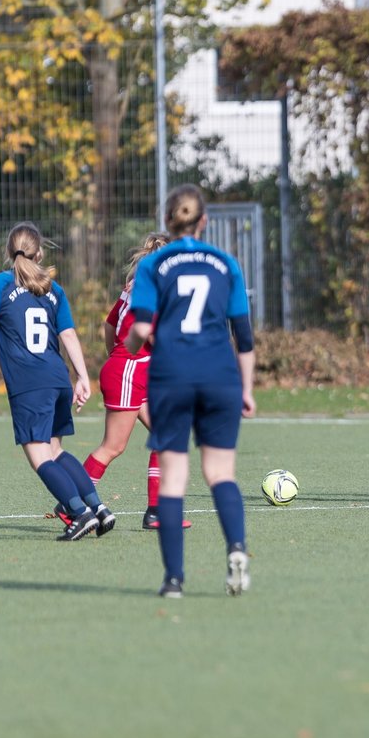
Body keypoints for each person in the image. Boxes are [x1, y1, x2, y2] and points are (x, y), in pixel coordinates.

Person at [125, 185, 255, 598]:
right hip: (220, 376)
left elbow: (142, 328)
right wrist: (247, 389)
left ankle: (174, 580)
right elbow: (245, 336)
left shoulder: (154, 263)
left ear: (168, 220)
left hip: (171, 376)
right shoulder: (225, 262)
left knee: (173, 480)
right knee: (220, 474)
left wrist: (129, 347)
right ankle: (236, 549)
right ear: (204, 222)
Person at [0, 222, 115, 542]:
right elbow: (68, 334)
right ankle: (99, 508)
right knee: (56, 450)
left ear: (8, 253)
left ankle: (79, 513)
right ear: (40, 252)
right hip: (58, 379)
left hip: (30, 385)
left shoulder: (0, 284)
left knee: (39, 456)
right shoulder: (53, 289)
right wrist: (83, 376)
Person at [48, 233, 189, 532]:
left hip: (131, 371)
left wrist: (116, 355)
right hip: (129, 373)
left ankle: (156, 512)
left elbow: (109, 324)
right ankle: (70, 503)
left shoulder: (136, 287)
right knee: (112, 447)